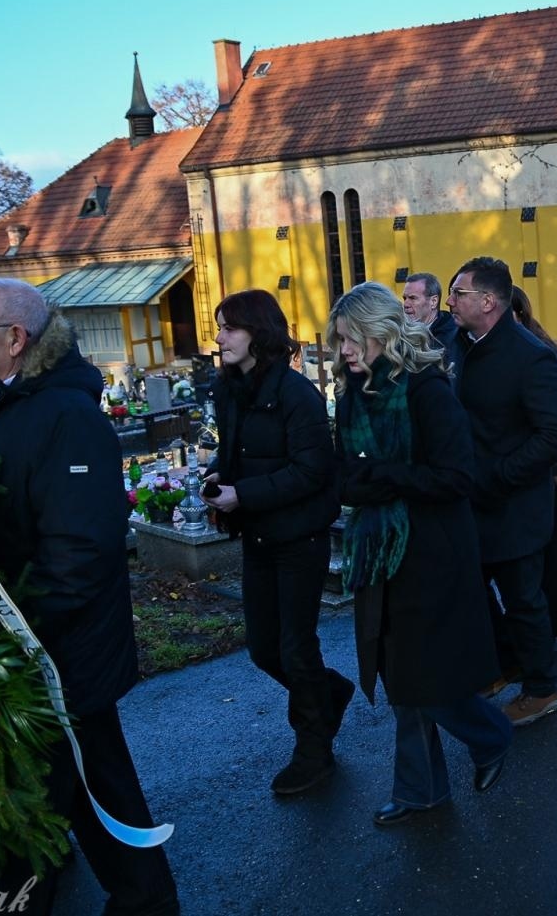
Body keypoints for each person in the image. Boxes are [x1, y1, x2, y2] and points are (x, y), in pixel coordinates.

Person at [0, 279, 178, 916]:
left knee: (40, 801)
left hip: (55, 650)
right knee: (94, 783)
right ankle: (147, 899)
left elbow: (77, 555)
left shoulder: (68, 417)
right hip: (30, 646)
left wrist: (6, 635)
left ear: (15, 341)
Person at [326, 282, 513, 827]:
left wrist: (381, 478)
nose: (345, 352)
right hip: (378, 555)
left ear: (382, 330)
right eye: (340, 341)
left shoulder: (428, 391)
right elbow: (345, 475)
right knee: (399, 675)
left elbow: (457, 477)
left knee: (417, 677)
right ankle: (420, 788)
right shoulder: (353, 395)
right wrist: (358, 483)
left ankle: (491, 733)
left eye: (352, 339)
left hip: (432, 555)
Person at [204, 289, 352, 796]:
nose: (219, 337)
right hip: (258, 535)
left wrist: (241, 493)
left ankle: (314, 750)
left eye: (230, 328)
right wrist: (215, 481)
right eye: (219, 326)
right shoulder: (228, 390)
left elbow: (313, 471)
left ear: (259, 334)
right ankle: (329, 692)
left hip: (299, 537)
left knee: (295, 647)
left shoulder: (296, 394)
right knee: (264, 649)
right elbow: (235, 451)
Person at [450, 256, 557, 725]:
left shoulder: (530, 355)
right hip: (470, 501)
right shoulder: (459, 345)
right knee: (474, 593)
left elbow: (555, 436)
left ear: (488, 301)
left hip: (514, 504)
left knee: (524, 600)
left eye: (458, 294)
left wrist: (497, 476)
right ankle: (504, 665)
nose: (450, 302)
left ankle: (542, 689)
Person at [510, 286, 557, 636]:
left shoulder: (540, 353)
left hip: (554, 470)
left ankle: (554, 622)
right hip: (534, 469)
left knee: (554, 549)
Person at [402, 271, 462, 376]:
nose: (406, 304)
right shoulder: (400, 334)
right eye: (404, 298)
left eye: (413, 298)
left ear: (433, 301)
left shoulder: (453, 336)